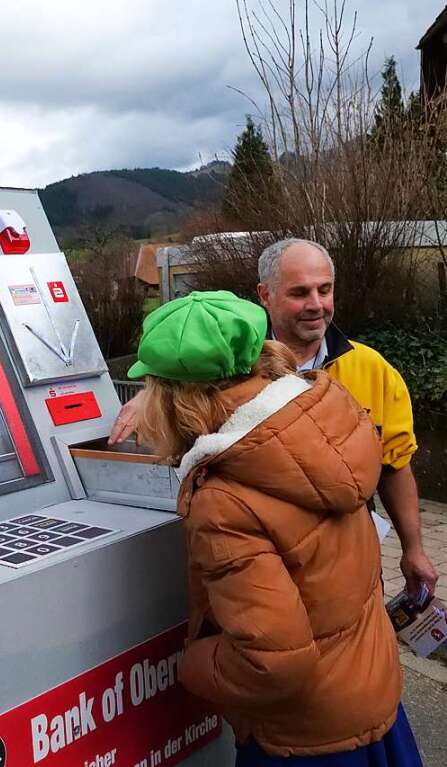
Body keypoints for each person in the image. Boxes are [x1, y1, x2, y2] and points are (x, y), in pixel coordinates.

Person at [129, 290, 423, 766]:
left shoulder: (223, 500)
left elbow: (272, 663)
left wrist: (189, 666)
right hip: (370, 691)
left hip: (305, 736)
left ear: (172, 396)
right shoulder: (326, 424)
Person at [111, 238, 438, 598]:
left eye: (324, 290)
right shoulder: (228, 370)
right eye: (300, 292)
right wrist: (154, 395)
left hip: (351, 561)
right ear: (265, 296)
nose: (316, 305)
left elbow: (395, 466)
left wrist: (414, 549)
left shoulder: (373, 370)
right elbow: (182, 392)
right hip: (260, 567)